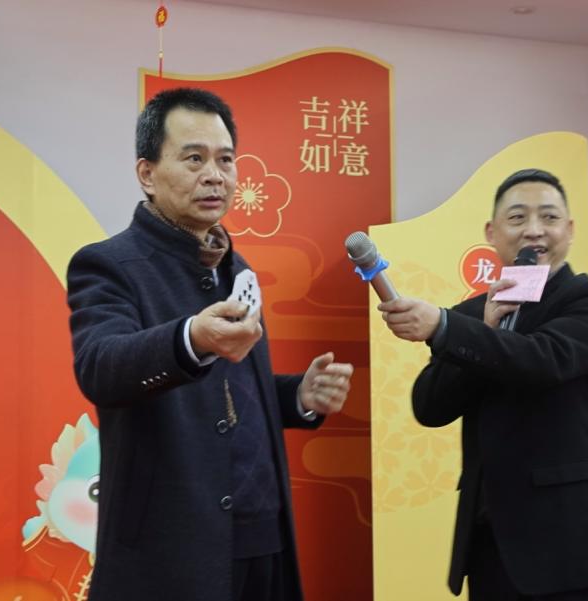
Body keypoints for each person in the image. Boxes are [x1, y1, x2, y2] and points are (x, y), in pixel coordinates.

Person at [66, 87, 353, 601]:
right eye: (194, 158)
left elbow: (228, 394)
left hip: (264, 538)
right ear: (147, 173)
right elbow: (100, 368)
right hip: (171, 549)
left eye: (225, 159)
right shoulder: (108, 264)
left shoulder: (236, 267)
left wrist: (297, 396)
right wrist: (190, 337)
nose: (215, 175)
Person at [378, 169, 588, 600]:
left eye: (549, 217)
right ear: (491, 233)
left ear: (570, 230)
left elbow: (543, 359)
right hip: (490, 542)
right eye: (517, 218)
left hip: (569, 545)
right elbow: (430, 406)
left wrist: (445, 327)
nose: (534, 230)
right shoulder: (474, 313)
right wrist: (479, 326)